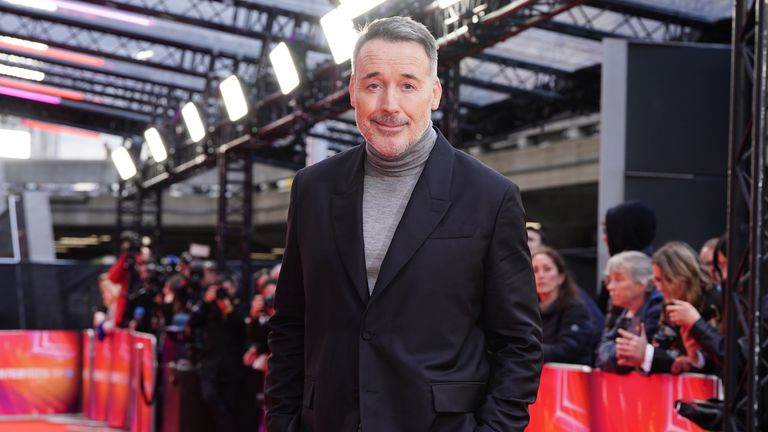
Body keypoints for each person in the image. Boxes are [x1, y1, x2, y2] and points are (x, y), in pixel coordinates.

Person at [265, 16, 542, 432]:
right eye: (373, 84)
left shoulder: (491, 196)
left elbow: (518, 343)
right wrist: (282, 422)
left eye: (408, 85)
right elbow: (290, 323)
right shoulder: (312, 189)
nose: (389, 104)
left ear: (434, 94)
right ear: (353, 92)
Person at [595, 251, 663, 374]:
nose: (610, 287)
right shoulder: (627, 311)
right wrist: (616, 352)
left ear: (642, 283)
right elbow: (601, 352)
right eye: (609, 280)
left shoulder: (657, 309)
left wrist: (613, 353)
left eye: (618, 279)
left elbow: (627, 361)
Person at [532, 247, 594, 366]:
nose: (541, 275)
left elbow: (567, 350)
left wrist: (527, 350)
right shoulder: (527, 311)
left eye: (547, 269)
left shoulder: (575, 308)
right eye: (535, 270)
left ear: (561, 277)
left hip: (570, 379)